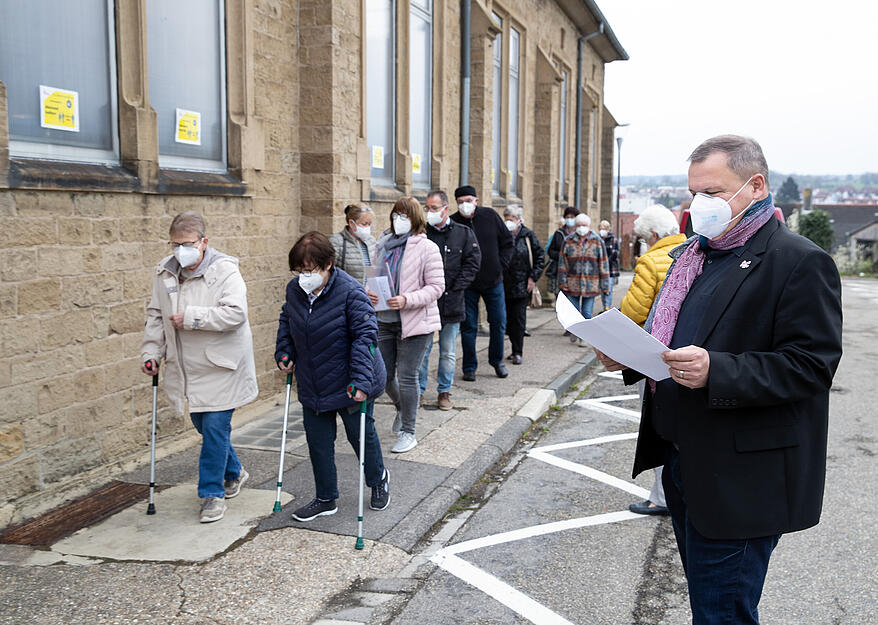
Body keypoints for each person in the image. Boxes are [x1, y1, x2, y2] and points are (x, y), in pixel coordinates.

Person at [596, 135, 843, 624]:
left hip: (740, 479)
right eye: (693, 193)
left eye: (711, 192)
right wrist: (625, 357)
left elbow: (812, 365)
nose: (697, 205)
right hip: (684, 463)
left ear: (755, 186)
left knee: (722, 614)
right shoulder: (696, 255)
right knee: (712, 607)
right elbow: (670, 338)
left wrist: (718, 369)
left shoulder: (798, 261)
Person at [141, 211, 258, 524]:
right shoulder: (164, 273)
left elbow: (236, 314)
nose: (181, 250)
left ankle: (211, 495)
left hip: (222, 366)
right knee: (205, 428)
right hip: (188, 368)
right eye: (176, 244)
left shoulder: (225, 272)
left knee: (215, 430)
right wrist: (151, 352)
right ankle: (234, 472)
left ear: (204, 242)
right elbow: (155, 315)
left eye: (188, 243)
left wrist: (193, 318)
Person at [275, 231, 389, 522]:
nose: (303, 276)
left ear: (328, 265)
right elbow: (287, 320)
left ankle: (378, 479)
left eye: (309, 270)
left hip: (352, 378)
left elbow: (366, 338)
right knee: (318, 441)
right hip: (314, 378)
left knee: (360, 436)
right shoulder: (294, 290)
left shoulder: (352, 292)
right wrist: (284, 352)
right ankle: (326, 498)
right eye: (298, 270)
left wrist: (361, 382)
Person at [618, 205, 686, 517]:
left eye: (645, 239)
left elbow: (633, 313)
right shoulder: (692, 251)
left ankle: (661, 497)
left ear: (654, 236)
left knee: (658, 428)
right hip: (692, 356)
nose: (644, 244)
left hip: (657, 357)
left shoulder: (652, 261)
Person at [370, 197, 444, 452]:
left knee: (408, 375)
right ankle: (402, 407)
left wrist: (406, 299)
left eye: (404, 216)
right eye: (395, 215)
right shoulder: (382, 245)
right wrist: (369, 292)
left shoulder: (427, 248)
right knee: (384, 376)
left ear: (415, 219)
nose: (399, 220)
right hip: (384, 320)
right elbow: (373, 277)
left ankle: (409, 431)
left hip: (415, 322)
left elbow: (436, 287)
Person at [419, 189, 481, 410]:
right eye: (427, 208)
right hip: (426, 303)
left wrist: (456, 288)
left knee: (447, 351)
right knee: (423, 351)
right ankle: (418, 391)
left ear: (445, 208)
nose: (429, 212)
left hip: (452, 302)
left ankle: (444, 392)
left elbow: (472, 263)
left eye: (434, 208)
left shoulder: (463, 233)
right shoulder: (421, 233)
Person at [450, 185, 514, 379]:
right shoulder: (454, 222)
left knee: (498, 322)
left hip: (493, 280)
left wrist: (500, 265)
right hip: (467, 284)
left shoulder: (490, 216)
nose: (465, 205)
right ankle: (469, 367)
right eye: (460, 202)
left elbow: (507, 243)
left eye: (468, 201)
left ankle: (497, 361)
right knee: (468, 326)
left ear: (476, 201)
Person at [557, 213, 610, 345]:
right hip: (572, 282)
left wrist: (605, 285)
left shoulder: (597, 241)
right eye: (579, 225)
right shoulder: (568, 241)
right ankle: (576, 331)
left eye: (584, 225)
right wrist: (562, 282)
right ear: (575, 226)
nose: (581, 228)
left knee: (587, 312)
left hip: (591, 283)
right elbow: (562, 263)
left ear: (589, 226)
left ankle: (584, 338)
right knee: (574, 313)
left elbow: (603, 264)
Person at [502, 205, 545, 365]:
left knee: (518, 319)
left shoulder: (528, 236)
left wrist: (533, 278)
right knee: (505, 320)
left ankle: (517, 351)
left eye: (511, 219)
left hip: (522, 285)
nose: (508, 222)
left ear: (519, 220)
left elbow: (540, 257)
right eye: (506, 219)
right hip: (504, 284)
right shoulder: (502, 234)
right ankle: (510, 348)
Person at [328, 202, 376, 285]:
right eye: (364, 224)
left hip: (369, 296)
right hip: (347, 295)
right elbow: (327, 272)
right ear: (351, 223)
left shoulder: (371, 241)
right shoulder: (337, 242)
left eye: (369, 224)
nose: (367, 227)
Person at [545, 206, 580, 297]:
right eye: (567, 217)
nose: (569, 219)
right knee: (559, 295)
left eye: (572, 217)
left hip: (574, 270)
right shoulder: (559, 233)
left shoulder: (580, 234)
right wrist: (561, 256)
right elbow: (550, 250)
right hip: (559, 269)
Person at [598, 219, 620, 311]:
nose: (601, 230)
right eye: (600, 228)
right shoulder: (598, 239)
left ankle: (607, 307)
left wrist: (606, 263)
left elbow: (615, 253)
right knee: (603, 290)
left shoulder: (613, 239)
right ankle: (605, 307)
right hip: (600, 269)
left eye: (603, 228)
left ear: (608, 229)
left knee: (608, 289)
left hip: (610, 269)